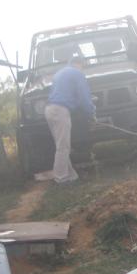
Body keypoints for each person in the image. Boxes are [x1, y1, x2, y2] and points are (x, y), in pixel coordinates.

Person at [34, 55, 95, 183]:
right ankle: (60, 178)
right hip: (60, 110)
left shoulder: (59, 74)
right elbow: (84, 97)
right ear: (80, 64)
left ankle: (71, 176)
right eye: (83, 66)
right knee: (63, 146)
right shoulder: (77, 73)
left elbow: (65, 94)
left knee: (61, 144)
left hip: (49, 109)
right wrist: (91, 112)